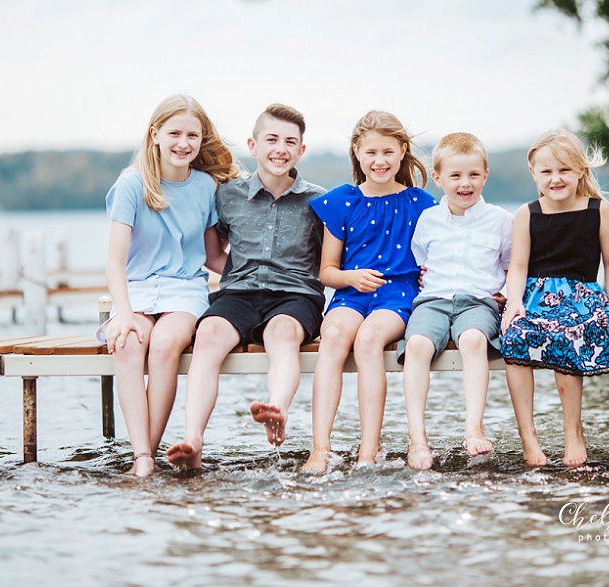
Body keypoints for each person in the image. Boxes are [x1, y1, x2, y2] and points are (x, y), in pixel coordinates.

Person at [166, 104, 326, 469]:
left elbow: (330, 259)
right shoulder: (228, 195)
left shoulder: (319, 200)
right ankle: (193, 440)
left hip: (296, 296)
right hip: (238, 291)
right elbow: (212, 254)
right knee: (206, 334)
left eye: (290, 142)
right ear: (253, 145)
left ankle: (276, 408)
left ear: (301, 150)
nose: (280, 149)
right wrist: (240, 272)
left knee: (282, 334)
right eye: (271, 140)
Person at [99, 94, 238, 476]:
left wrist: (260, 276)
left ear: (202, 139)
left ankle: (148, 454)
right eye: (174, 133)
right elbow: (114, 262)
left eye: (192, 135)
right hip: (137, 290)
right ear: (155, 134)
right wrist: (123, 314)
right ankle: (143, 457)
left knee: (163, 345)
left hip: (185, 290)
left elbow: (211, 257)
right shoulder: (131, 184)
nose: (183, 143)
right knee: (127, 343)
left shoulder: (206, 186)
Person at [499, 129, 609, 467]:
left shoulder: (598, 210)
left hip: (583, 297)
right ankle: (530, 440)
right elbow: (517, 267)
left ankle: (573, 433)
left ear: (581, 171)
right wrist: (514, 302)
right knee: (513, 336)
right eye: (547, 172)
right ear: (534, 174)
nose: (556, 178)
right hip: (537, 297)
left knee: (569, 332)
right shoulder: (527, 214)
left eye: (564, 170)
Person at [302, 110, 438, 473]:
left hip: (397, 294)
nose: (379, 161)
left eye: (388, 152)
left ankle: (368, 450)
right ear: (357, 153)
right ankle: (320, 448)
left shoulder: (421, 203)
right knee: (332, 337)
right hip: (352, 291)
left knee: (368, 341)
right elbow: (327, 271)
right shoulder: (342, 201)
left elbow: (436, 258)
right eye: (371, 153)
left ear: (403, 151)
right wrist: (352, 277)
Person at [398, 132, 513, 470]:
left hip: (478, 302)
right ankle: (417, 439)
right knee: (417, 344)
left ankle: (473, 428)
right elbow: (422, 261)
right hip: (433, 300)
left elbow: (511, 266)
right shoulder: (428, 220)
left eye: (474, 175)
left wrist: (505, 295)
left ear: (485, 175)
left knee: (474, 339)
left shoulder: (501, 221)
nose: (466, 183)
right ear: (438, 178)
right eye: (456, 176)